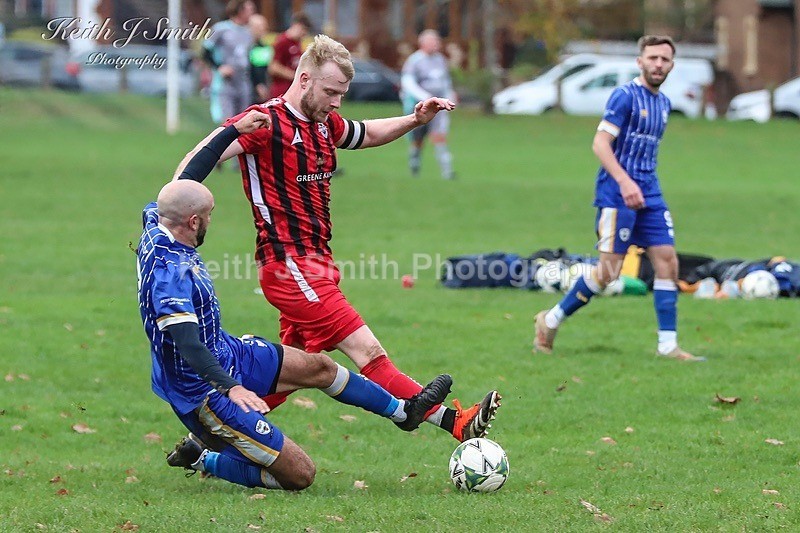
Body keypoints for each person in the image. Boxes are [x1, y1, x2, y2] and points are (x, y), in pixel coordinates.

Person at [174, 34, 501, 442]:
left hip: (319, 265)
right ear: (305, 79)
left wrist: (415, 119)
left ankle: (205, 439)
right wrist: (201, 168)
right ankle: (452, 423)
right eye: (331, 92)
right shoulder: (263, 122)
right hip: (289, 267)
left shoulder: (324, 123)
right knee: (369, 353)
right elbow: (194, 161)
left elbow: (366, 133)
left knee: (293, 372)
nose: (337, 102)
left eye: (342, 94)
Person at [138, 112, 453, 490]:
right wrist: (231, 388)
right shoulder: (170, 273)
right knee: (300, 475)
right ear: (192, 223)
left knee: (319, 367)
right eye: (208, 216)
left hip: (227, 350)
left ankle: (405, 413)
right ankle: (205, 456)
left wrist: (232, 132)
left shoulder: (158, 222)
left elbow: (183, 184)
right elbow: (187, 344)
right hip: (203, 388)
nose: (211, 221)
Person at [533, 35, 704, 362]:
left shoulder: (664, 104)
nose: (658, 64)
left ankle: (668, 346)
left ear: (671, 65)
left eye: (664, 59)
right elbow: (600, 144)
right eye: (652, 58)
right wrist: (625, 183)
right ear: (640, 61)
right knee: (609, 272)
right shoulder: (624, 96)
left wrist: (640, 184)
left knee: (668, 260)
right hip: (616, 194)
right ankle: (550, 319)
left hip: (649, 192)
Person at [400, 29, 456, 180]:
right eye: (433, 41)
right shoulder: (415, 61)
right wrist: (425, 97)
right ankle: (414, 166)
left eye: (437, 41)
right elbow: (408, 83)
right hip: (421, 107)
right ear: (423, 43)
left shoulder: (440, 60)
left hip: (439, 107)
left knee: (440, 136)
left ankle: (447, 171)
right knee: (417, 140)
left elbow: (445, 82)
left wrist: (449, 96)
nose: (436, 44)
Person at [203, 0, 256, 124]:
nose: (252, 14)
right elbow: (205, 51)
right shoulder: (221, 29)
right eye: (250, 10)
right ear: (240, 10)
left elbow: (249, 58)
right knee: (227, 123)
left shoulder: (248, 33)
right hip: (225, 85)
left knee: (243, 123)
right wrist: (220, 67)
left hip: (243, 83)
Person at [267, 12, 311, 99]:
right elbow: (273, 67)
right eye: (303, 29)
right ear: (295, 25)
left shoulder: (297, 43)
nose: (304, 33)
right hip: (281, 90)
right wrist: (295, 75)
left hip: (292, 89)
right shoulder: (282, 42)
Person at [248, 14, 274, 103]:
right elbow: (251, 68)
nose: (262, 29)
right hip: (248, 90)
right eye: (258, 27)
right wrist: (257, 84)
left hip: (264, 88)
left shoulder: (265, 47)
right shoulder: (246, 47)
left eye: (264, 26)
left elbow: (266, 68)